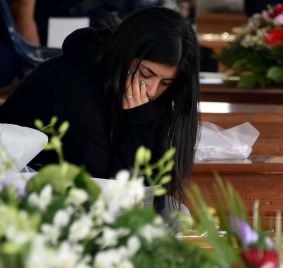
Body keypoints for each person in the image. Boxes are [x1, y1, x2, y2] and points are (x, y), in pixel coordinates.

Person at [0, 6, 200, 214]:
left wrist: (142, 120)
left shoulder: (150, 97)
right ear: (126, 52)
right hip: (24, 195)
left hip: (78, 197)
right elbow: (106, 191)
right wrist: (138, 124)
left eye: (166, 82)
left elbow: (152, 189)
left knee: (175, 212)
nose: (151, 90)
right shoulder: (75, 82)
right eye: (146, 74)